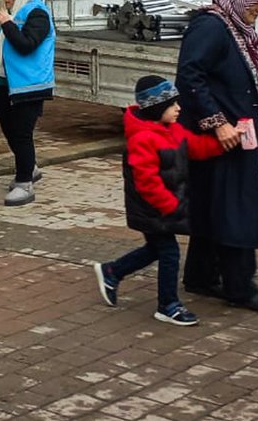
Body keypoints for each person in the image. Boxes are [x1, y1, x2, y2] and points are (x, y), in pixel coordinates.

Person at [176, 0, 258, 312]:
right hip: (221, 137)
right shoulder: (212, 26)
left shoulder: (236, 29)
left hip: (236, 135)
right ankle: (240, 286)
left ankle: (201, 275)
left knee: (214, 205)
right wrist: (218, 123)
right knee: (237, 208)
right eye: (256, 2)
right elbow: (190, 76)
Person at [92, 76, 199, 327]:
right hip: (153, 209)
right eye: (173, 104)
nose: (179, 108)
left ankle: (112, 272)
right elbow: (146, 182)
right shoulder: (142, 138)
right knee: (169, 251)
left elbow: (195, 145)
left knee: (156, 249)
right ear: (157, 108)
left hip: (158, 209)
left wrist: (225, 142)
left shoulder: (169, 130)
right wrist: (170, 205)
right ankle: (168, 305)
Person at [0, 0, 54, 206]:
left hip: (29, 85)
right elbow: (3, 42)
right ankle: (30, 166)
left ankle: (25, 182)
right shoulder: (15, 13)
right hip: (5, 83)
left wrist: (7, 24)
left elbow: (27, 44)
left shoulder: (38, 14)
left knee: (22, 133)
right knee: (9, 130)